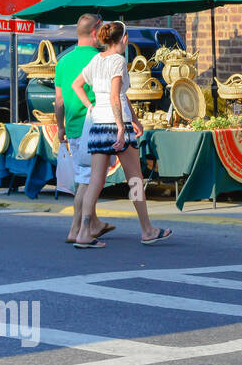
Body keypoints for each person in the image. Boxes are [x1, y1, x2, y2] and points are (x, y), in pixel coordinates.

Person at [70, 21, 171, 248]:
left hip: (98, 125)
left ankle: (84, 231)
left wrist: (92, 107)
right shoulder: (118, 61)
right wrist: (121, 125)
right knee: (135, 178)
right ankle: (147, 229)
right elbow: (117, 96)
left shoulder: (96, 60)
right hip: (117, 125)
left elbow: (77, 85)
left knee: (95, 180)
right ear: (123, 39)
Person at [53, 13, 115, 245]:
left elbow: (59, 101)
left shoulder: (63, 61)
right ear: (93, 32)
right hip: (95, 126)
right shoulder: (100, 59)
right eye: (100, 31)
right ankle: (76, 229)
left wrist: (60, 128)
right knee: (87, 181)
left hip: (74, 127)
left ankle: (93, 224)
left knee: (85, 177)